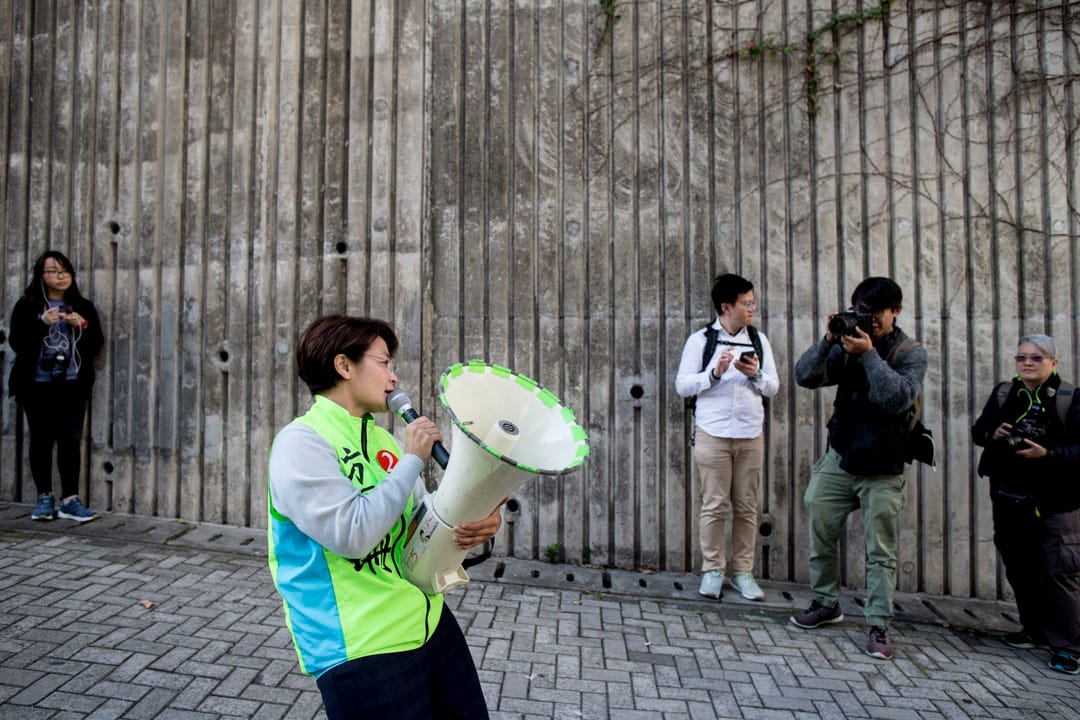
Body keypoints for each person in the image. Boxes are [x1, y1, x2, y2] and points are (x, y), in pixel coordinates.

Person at [267, 315, 503, 719]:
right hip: (363, 648)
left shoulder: (383, 440)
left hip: (429, 624)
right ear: (344, 366)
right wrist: (412, 458)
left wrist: (478, 518)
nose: (394, 378)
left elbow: (418, 529)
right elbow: (354, 535)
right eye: (384, 363)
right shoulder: (300, 443)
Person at [790, 277, 927, 660]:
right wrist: (828, 341)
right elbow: (805, 376)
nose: (867, 321)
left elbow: (897, 398)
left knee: (879, 548)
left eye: (875, 314)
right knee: (820, 524)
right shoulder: (847, 344)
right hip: (842, 456)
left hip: (884, 465)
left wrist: (868, 354)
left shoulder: (910, 352)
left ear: (895, 311)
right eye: (860, 313)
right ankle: (825, 603)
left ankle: (879, 623)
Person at [972, 334, 1080, 676]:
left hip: (1055, 502)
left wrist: (1046, 453)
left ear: (1053, 362)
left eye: (1036, 358)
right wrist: (995, 433)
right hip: (1008, 497)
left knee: (1058, 572)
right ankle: (1033, 630)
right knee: (1020, 567)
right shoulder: (1006, 393)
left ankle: (1068, 647)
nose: (1028, 363)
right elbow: (979, 432)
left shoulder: (1069, 398)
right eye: (1022, 358)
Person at [675, 273, 779, 601]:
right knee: (714, 505)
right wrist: (714, 373)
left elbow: (773, 387)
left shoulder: (758, 340)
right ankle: (713, 571)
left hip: (750, 434)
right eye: (746, 304)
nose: (752, 309)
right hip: (712, 432)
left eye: (752, 303)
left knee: (747, 506)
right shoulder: (701, 341)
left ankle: (743, 573)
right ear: (726, 307)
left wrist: (756, 374)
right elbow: (682, 386)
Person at [7, 251, 104, 522]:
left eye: (64, 271)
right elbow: (17, 343)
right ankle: (44, 498)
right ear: (41, 276)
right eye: (52, 271)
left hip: (72, 384)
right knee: (40, 440)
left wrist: (80, 324)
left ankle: (70, 500)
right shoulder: (27, 306)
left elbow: (96, 343)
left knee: (70, 441)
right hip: (36, 385)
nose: (60, 276)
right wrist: (42, 324)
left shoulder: (82, 305)